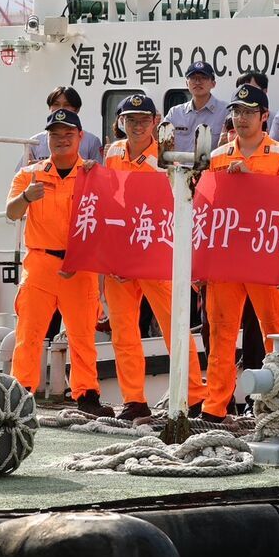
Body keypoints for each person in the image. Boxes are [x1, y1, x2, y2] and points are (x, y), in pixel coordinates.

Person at [101, 94, 207, 420]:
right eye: (131, 120)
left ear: (155, 121)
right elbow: (108, 201)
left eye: (143, 119)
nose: (137, 126)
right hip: (121, 255)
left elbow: (180, 204)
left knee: (174, 326)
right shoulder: (113, 153)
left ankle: (193, 395)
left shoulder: (166, 158)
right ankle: (134, 400)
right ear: (121, 122)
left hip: (156, 254)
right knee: (123, 331)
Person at [6, 108, 114, 417]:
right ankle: (21, 394)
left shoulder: (93, 175)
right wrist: (27, 197)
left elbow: (106, 221)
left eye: (68, 134)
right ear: (47, 138)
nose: (62, 140)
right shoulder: (29, 175)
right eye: (55, 135)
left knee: (82, 335)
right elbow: (12, 213)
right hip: (40, 263)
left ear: (80, 137)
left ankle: (87, 395)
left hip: (79, 264)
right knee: (28, 334)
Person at [201, 85, 279, 423]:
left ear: (264, 116)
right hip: (226, 258)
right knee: (221, 332)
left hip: (265, 257)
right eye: (237, 111)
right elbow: (206, 210)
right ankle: (215, 407)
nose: (241, 118)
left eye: (248, 112)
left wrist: (251, 179)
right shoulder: (217, 157)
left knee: (274, 332)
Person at [16, 86, 103, 169]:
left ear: (77, 109)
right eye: (56, 104)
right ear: (49, 108)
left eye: (67, 105)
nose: (61, 109)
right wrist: (34, 168)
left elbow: (99, 171)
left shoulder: (92, 141)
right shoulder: (34, 142)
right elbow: (22, 172)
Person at [164, 60, 229, 153]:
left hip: (212, 163)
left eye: (203, 77)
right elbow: (162, 145)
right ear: (187, 83)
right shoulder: (175, 113)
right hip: (178, 163)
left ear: (213, 84)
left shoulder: (226, 112)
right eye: (193, 78)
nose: (198, 82)